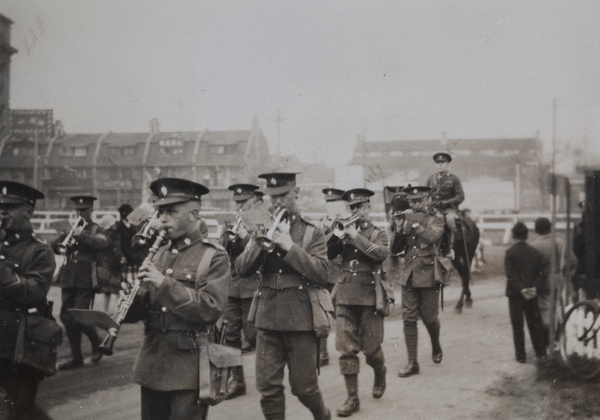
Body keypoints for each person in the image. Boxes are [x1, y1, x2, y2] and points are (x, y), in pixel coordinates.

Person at [122, 177, 231, 420]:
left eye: (171, 212)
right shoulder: (158, 253)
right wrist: (130, 302)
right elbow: (146, 309)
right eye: (160, 212)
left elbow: (210, 309)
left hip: (188, 369)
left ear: (193, 214)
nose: (162, 219)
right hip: (152, 364)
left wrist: (163, 283)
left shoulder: (212, 256)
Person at [235, 172, 332, 420]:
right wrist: (260, 239)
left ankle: (323, 415)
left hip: (300, 318)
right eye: (272, 197)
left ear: (296, 193)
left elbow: (322, 274)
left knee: (304, 388)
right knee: (268, 388)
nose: (276, 202)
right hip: (268, 317)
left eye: (283, 196)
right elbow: (241, 270)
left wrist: (290, 246)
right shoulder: (261, 225)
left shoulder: (312, 232)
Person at [326, 188, 389, 417]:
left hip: (370, 296)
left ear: (367, 207)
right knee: (346, 349)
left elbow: (380, 255)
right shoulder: (343, 231)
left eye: (358, 207)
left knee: (371, 349)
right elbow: (327, 253)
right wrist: (336, 234)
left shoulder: (377, 233)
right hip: (344, 294)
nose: (354, 211)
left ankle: (380, 372)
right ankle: (352, 398)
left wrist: (354, 236)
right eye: (350, 207)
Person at [0, 181, 56, 419]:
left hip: (22, 341)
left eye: (9, 208)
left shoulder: (39, 251)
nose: (2, 213)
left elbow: (33, 292)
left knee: (20, 410)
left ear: (28, 211)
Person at [390, 186, 445, 377]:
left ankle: (435, 344)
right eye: (412, 202)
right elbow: (394, 249)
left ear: (427, 199)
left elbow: (432, 237)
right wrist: (398, 229)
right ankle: (412, 362)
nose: (415, 205)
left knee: (430, 318)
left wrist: (415, 226)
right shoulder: (406, 219)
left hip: (429, 273)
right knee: (409, 318)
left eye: (419, 200)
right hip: (409, 274)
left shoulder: (435, 218)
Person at [53, 196, 109, 370]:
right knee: (66, 318)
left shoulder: (95, 229)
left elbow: (102, 243)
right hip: (69, 276)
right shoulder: (71, 228)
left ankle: (97, 341)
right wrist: (62, 238)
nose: (79, 213)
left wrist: (81, 236)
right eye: (77, 210)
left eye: (83, 210)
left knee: (80, 317)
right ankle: (76, 358)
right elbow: (55, 247)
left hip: (86, 278)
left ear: (91, 211)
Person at [220, 183, 263, 399]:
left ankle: (269, 376)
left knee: (254, 334)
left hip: (252, 286)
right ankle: (237, 381)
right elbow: (222, 250)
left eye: (243, 202)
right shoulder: (231, 220)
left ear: (254, 200)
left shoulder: (261, 219)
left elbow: (261, 251)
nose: (239, 206)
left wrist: (246, 237)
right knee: (230, 335)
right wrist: (228, 238)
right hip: (232, 286)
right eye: (237, 202)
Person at [505, 221, 547, 363]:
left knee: (517, 326)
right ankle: (541, 353)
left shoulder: (510, 252)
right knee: (535, 324)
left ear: (513, 235)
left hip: (516, 294)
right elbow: (541, 274)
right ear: (527, 235)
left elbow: (511, 274)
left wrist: (521, 288)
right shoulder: (535, 252)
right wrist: (534, 288)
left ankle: (521, 356)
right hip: (532, 294)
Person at [318, 187, 345, 367]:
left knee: (342, 313)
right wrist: (327, 227)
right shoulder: (322, 223)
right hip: (325, 274)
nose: (330, 206)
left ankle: (347, 346)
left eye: (334, 202)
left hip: (342, 273)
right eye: (328, 203)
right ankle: (322, 352)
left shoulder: (347, 222)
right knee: (323, 312)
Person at [426, 152, 465, 258]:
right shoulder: (431, 179)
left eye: (442, 162)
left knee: (450, 220)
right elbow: (426, 195)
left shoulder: (454, 179)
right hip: (434, 209)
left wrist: (447, 202)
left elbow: (460, 196)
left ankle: (450, 248)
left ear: (447, 164)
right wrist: (428, 203)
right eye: (438, 162)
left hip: (449, 209)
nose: (440, 165)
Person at [98, 214, 123, 314]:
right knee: (113, 289)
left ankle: (108, 310)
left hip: (112, 264)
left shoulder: (110, 235)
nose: (115, 225)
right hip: (111, 265)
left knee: (109, 290)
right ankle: (115, 310)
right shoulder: (109, 237)